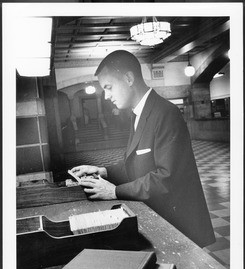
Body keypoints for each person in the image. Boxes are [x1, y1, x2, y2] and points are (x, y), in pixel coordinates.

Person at [71, 50, 215, 248]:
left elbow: (167, 178)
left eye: (109, 87)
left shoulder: (166, 113)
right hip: (161, 217)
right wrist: (103, 171)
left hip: (180, 226)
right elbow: (136, 163)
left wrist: (114, 191)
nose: (106, 96)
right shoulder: (138, 114)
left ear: (129, 78)